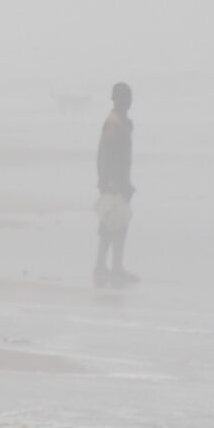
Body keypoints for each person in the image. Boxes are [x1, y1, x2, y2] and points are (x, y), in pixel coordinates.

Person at [94, 80, 137, 286]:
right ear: (115, 99)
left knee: (116, 224)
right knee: (113, 225)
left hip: (120, 181)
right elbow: (106, 154)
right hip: (114, 182)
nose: (127, 101)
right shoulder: (113, 122)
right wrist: (108, 182)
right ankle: (109, 266)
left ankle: (108, 266)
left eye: (129, 98)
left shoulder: (123, 121)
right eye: (123, 98)